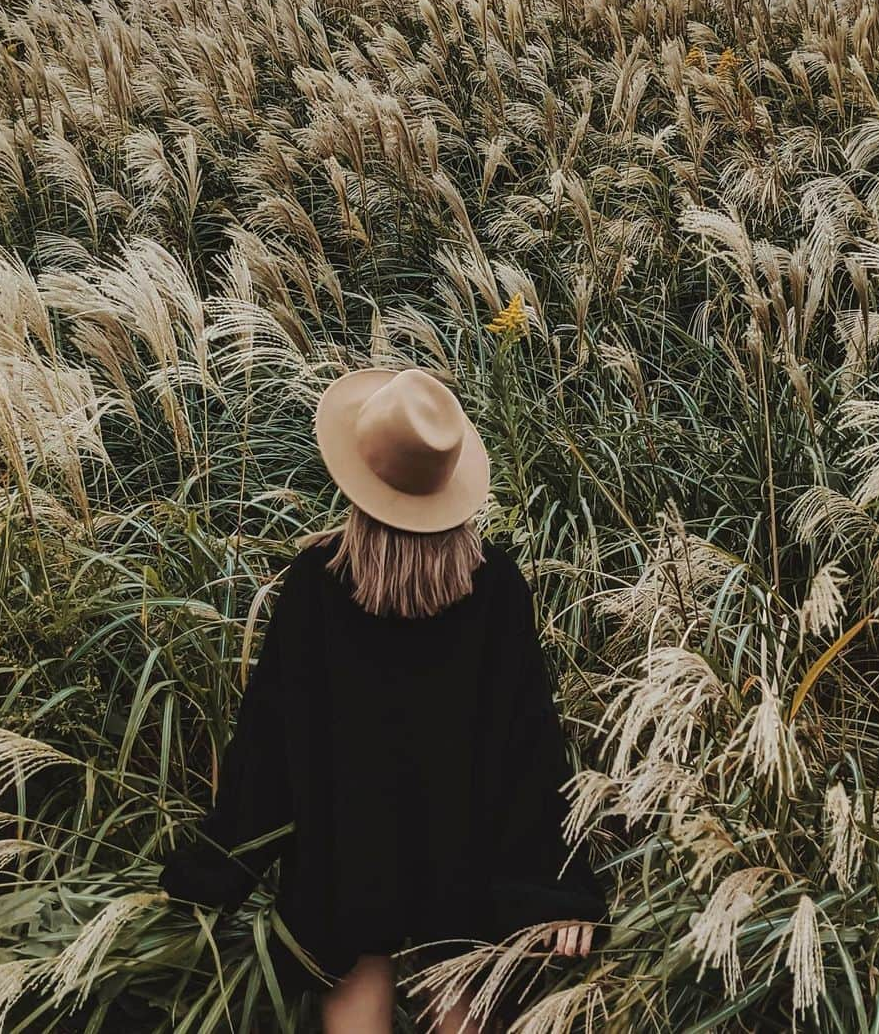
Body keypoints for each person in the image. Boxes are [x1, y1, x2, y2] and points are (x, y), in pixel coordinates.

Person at [157, 366, 608, 1032]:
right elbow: (530, 748)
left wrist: (213, 873)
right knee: (456, 993)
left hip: (347, 872)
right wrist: (559, 891)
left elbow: (268, 743)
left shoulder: (317, 583)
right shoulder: (497, 586)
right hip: (462, 873)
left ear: (360, 481)